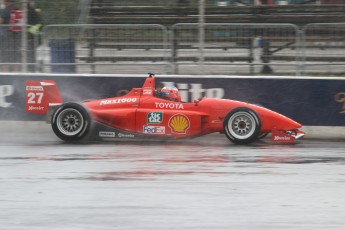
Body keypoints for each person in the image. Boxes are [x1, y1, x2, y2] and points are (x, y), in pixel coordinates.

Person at [0, 0, 12, 72]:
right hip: (4, 34)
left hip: (2, 34)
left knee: (3, 52)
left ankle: (4, 69)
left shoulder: (4, 12)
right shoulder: (6, 11)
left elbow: (0, 21)